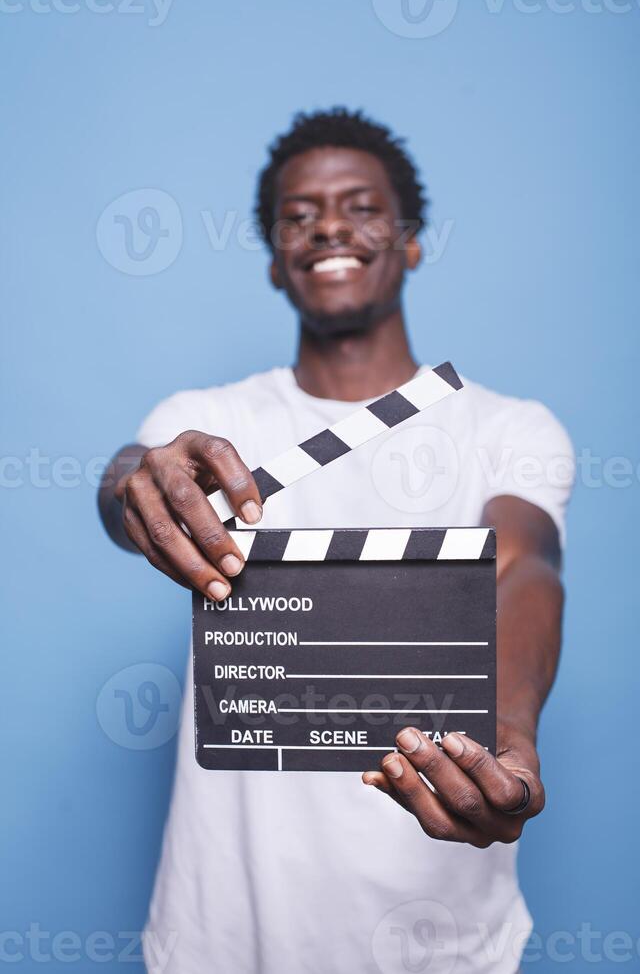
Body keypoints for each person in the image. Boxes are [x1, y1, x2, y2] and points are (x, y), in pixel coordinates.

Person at [99, 108, 574, 974]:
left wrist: (510, 734)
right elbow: (129, 490)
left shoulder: (510, 427)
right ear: (276, 262)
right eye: (297, 215)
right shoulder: (206, 424)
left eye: (360, 206)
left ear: (412, 239)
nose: (327, 225)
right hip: (221, 928)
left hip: (441, 937)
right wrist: (137, 477)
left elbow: (523, 565)